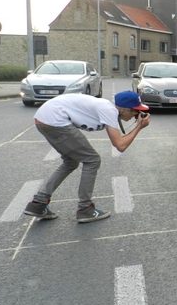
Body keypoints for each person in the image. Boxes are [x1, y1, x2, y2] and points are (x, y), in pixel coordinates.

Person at [23, 90, 151, 223]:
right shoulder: (109, 110)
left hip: (44, 119)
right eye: (135, 111)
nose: (136, 114)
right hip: (55, 120)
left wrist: (137, 125)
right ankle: (85, 209)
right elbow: (120, 145)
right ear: (125, 110)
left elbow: (119, 142)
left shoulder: (109, 109)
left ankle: (38, 203)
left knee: (71, 162)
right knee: (92, 160)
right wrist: (139, 127)